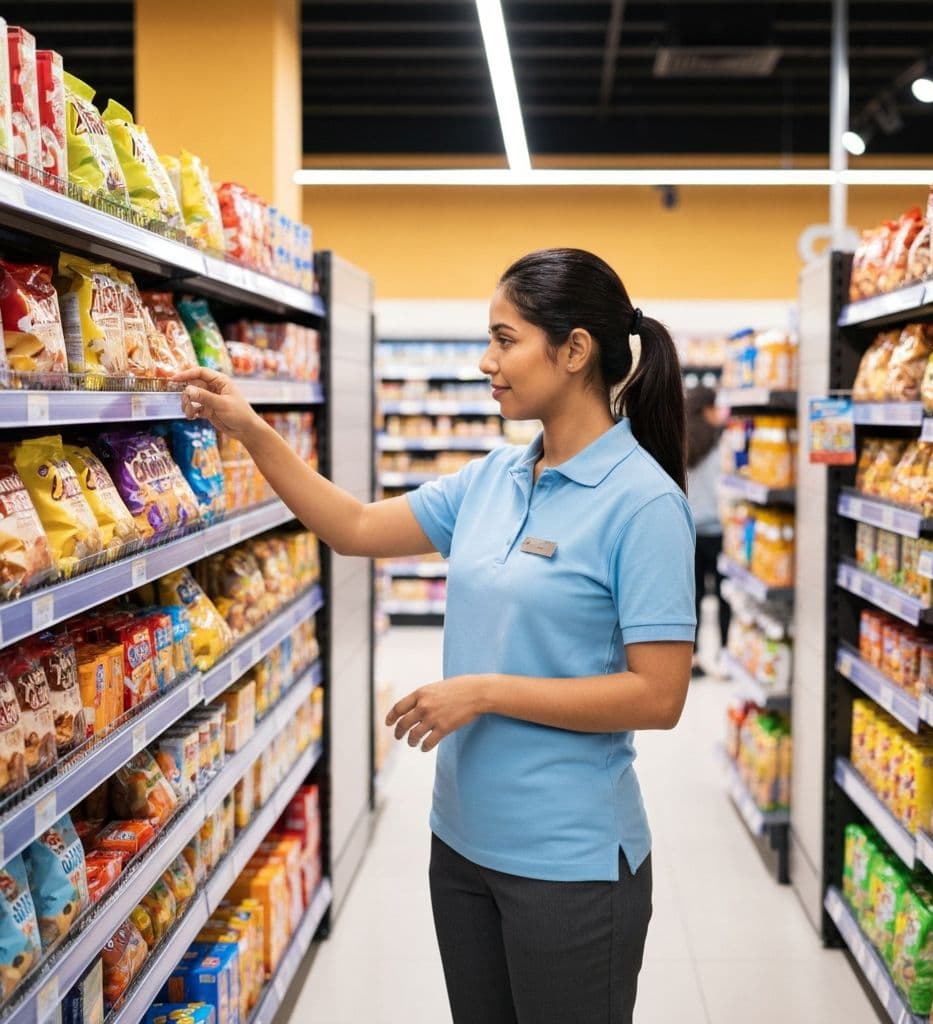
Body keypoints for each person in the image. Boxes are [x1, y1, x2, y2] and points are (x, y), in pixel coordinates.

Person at [176, 247, 696, 1024]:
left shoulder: (643, 504)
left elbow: (658, 697)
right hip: (459, 843)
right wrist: (251, 430)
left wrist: (484, 691)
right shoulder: (493, 479)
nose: (486, 361)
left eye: (504, 338)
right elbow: (352, 525)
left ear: (575, 349)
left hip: (570, 860)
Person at [684, 385, 729, 676]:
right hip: (719, 530)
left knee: (694, 596)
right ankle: (724, 653)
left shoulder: (681, 443)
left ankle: (694, 658)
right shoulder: (720, 444)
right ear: (706, 410)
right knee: (725, 595)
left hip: (689, 532)